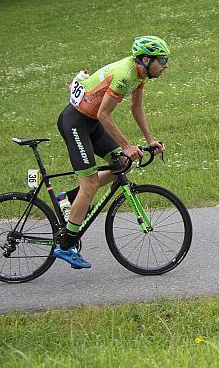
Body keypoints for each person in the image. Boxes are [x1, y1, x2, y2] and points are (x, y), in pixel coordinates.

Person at [53, 36, 169, 268]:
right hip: (76, 123)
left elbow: (136, 108)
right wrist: (126, 144)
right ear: (146, 59)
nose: (166, 66)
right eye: (162, 60)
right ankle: (65, 245)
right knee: (91, 185)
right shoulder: (126, 75)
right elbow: (103, 115)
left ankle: (68, 199)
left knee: (122, 163)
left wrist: (149, 140)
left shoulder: (139, 74)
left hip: (90, 123)